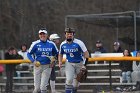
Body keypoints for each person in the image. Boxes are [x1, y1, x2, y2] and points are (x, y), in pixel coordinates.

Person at [27, 28, 58, 93]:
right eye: (41, 34)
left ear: (47, 35)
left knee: (43, 87)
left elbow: (57, 54)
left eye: (44, 34)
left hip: (47, 66)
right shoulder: (35, 43)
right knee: (37, 88)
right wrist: (33, 61)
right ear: (39, 35)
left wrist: (54, 60)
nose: (42, 35)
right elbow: (28, 54)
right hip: (38, 66)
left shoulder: (51, 44)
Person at [58, 27, 89, 93]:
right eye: (67, 34)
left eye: (71, 34)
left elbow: (86, 54)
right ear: (65, 35)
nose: (69, 35)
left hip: (79, 63)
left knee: (76, 83)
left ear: (73, 35)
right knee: (69, 80)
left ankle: (74, 90)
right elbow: (60, 54)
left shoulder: (79, 43)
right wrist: (60, 62)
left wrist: (84, 65)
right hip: (69, 63)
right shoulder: (63, 44)